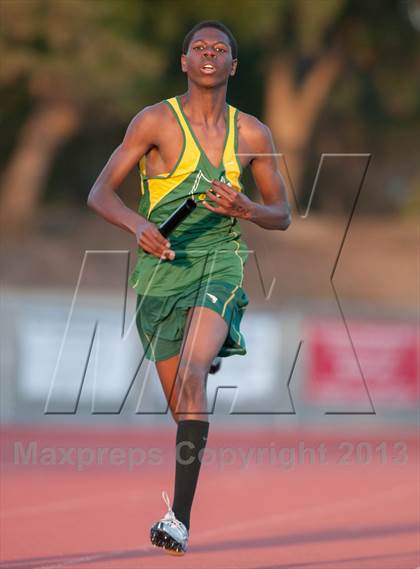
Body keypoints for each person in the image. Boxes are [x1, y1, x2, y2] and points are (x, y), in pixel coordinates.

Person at [87, 20, 291, 556]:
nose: (208, 53)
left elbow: (283, 213)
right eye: (199, 47)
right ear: (183, 61)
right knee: (184, 404)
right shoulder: (154, 120)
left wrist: (246, 208)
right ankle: (214, 346)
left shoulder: (252, 134)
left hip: (220, 260)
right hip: (160, 270)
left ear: (233, 65)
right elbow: (100, 194)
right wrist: (138, 225)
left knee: (195, 375)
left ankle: (178, 518)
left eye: (220, 48)